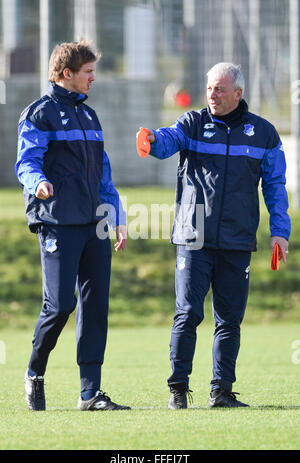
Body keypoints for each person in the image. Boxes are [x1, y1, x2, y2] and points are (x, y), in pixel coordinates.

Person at [141, 62, 291, 409]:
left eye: (220, 89)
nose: (212, 95)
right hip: (193, 237)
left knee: (229, 320)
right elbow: (168, 140)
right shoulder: (192, 123)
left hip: (238, 240)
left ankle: (221, 392)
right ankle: (178, 389)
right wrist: (151, 139)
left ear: (238, 93)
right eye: (209, 88)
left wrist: (280, 232)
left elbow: (275, 186)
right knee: (188, 314)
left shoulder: (264, 134)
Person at [16, 40, 130, 411]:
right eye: (88, 73)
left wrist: (117, 216)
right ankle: (35, 373)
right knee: (61, 304)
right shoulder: (39, 114)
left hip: (94, 222)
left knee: (95, 305)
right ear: (67, 74)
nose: (93, 79)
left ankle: (90, 393)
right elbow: (26, 162)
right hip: (57, 221)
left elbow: (103, 175)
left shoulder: (90, 117)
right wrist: (38, 183)